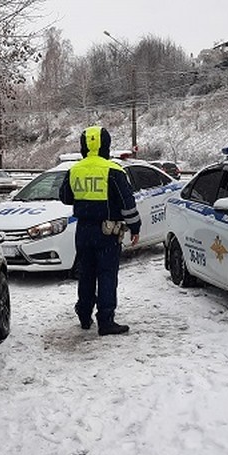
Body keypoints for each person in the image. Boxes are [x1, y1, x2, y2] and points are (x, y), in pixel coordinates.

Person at [58, 125, 141, 335]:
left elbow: (65, 197)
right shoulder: (114, 171)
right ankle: (106, 320)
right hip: (107, 232)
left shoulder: (74, 170)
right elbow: (127, 204)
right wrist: (135, 227)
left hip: (83, 231)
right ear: (106, 145)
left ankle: (84, 314)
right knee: (106, 275)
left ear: (83, 146)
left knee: (86, 273)